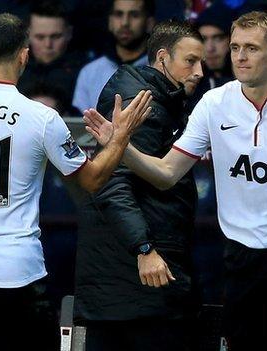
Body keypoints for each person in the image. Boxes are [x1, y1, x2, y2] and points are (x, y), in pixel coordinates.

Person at [85, 11, 267, 351]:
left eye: (251, 48)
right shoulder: (214, 104)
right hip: (239, 250)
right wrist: (121, 146)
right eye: (235, 47)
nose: (240, 57)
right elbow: (167, 173)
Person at [0, 13, 152, 351]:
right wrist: (120, 138)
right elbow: (94, 180)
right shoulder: (42, 118)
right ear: (24, 55)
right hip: (18, 273)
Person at [74, 20, 204, 351]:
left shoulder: (161, 100)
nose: (199, 71)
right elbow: (112, 183)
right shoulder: (141, 103)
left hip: (131, 281)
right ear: (163, 57)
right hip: (135, 277)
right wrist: (143, 248)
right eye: (190, 61)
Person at [72, 0, 155, 113]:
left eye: (134, 15)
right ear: (110, 21)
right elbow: (79, 126)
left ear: (149, 22)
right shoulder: (90, 72)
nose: (125, 22)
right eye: (118, 14)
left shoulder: (160, 69)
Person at [18, 0, 87, 107]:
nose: (48, 45)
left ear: (69, 33)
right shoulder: (14, 69)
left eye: (56, 37)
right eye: (40, 37)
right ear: (28, 35)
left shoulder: (86, 73)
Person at [187, 2, 235, 111]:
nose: (209, 48)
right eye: (203, 39)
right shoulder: (190, 88)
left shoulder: (252, 85)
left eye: (218, 38)